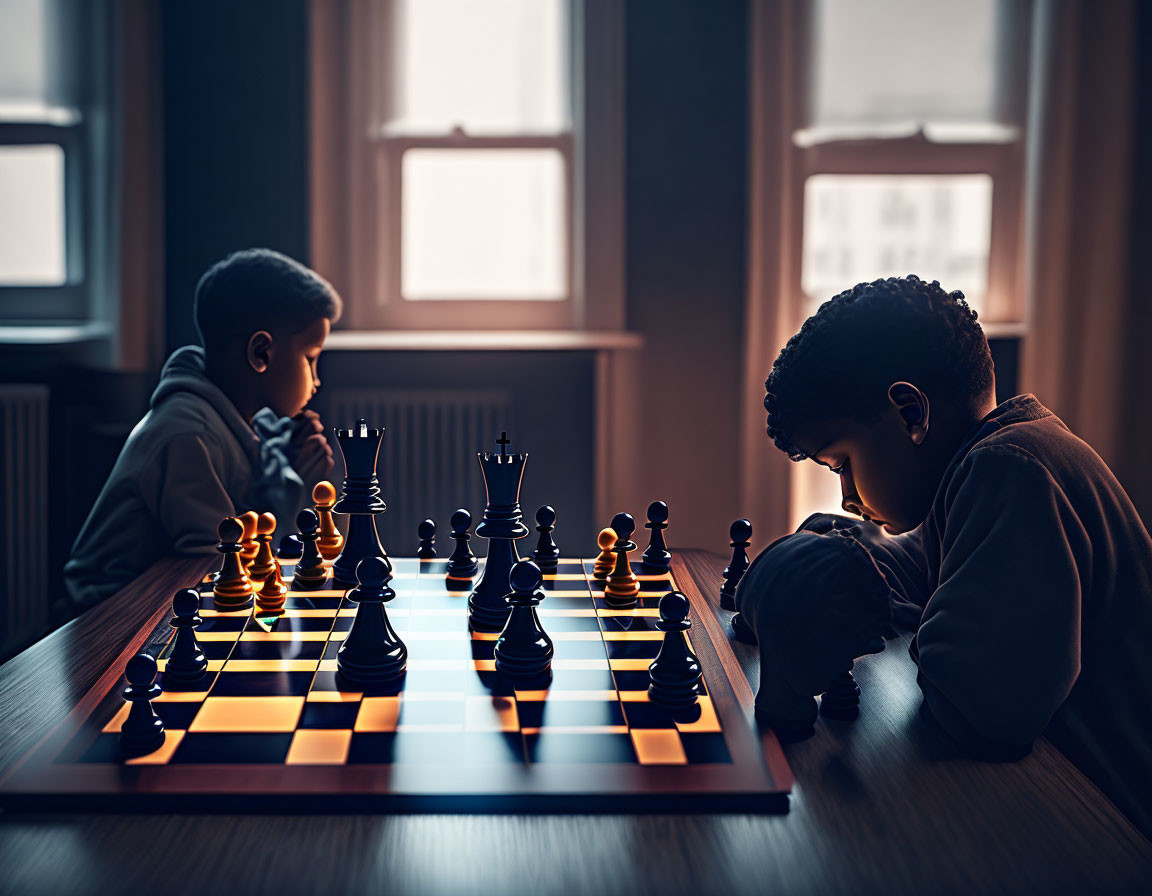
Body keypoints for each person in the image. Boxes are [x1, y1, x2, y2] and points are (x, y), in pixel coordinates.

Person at [740, 274, 1152, 837]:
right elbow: (906, 570)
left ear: (911, 414)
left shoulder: (1010, 469)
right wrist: (831, 557)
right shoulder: (984, 466)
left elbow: (985, 710)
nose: (848, 498)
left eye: (841, 464)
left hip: (1115, 822)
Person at [65, 248, 340, 609]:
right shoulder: (186, 436)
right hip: (108, 619)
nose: (316, 381)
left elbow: (277, 543)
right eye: (311, 358)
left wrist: (306, 481)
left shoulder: (259, 427)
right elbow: (218, 561)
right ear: (261, 353)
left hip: (176, 603)